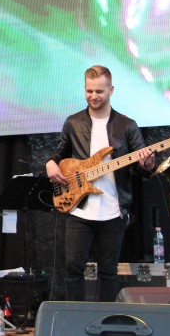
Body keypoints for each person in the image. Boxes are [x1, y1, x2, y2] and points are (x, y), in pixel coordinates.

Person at [46, 65, 154, 302]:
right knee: (73, 269)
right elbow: (60, 152)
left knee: (108, 272)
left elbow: (142, 169)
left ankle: (106, 319)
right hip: (80, 208)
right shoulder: (73, 122)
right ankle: (75, 317)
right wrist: (50, 163)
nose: (93, 96)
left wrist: (147, 164)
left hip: (113, 210)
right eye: (89, 91)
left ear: (111, 90)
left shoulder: (127, 125)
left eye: (99, 91)